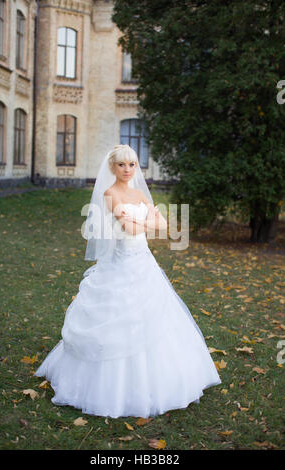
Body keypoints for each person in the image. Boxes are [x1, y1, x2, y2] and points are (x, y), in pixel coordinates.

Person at [34, 144, 222, 418]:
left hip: (143, 260)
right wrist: (147, 220)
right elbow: (134, 227)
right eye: (121, 165)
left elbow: (163, 226)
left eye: (132, 164)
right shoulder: (110, 194)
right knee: (116, 317)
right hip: (120, 262)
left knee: (155, 318)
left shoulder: (137, 194)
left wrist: (144, 222)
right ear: (113, 167)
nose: (127, 169)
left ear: (137, 167)